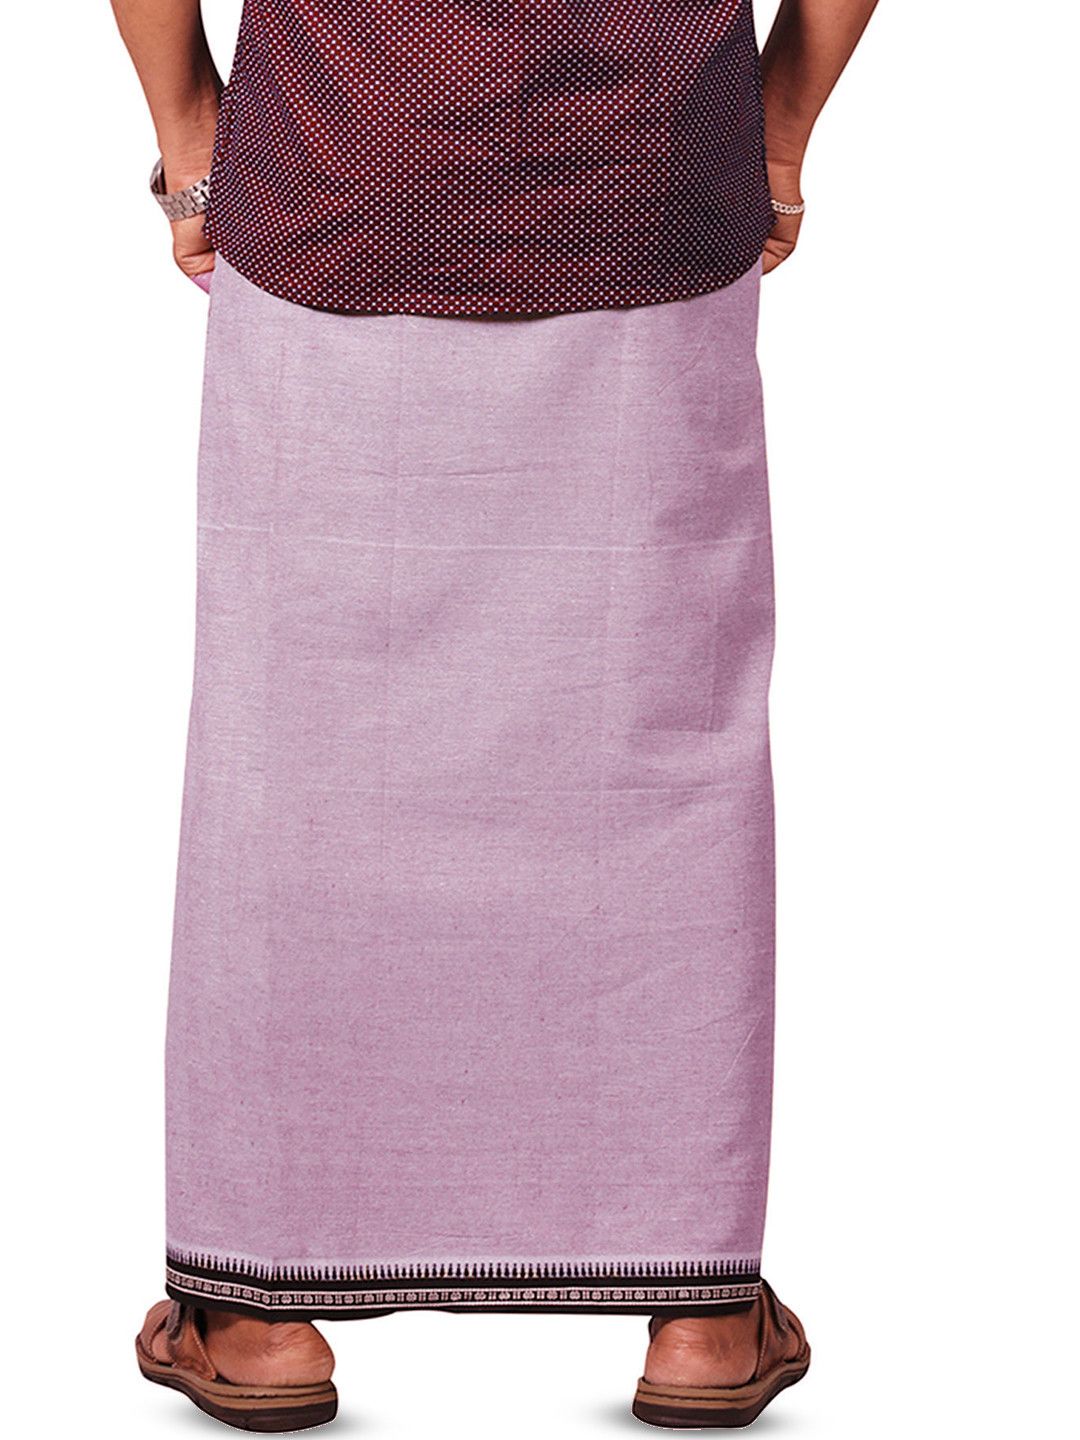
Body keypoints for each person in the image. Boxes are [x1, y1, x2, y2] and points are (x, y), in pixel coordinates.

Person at [113, 0, 878, 1429]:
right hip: (650, 177)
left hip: (339, 163)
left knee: (297, 733)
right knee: (666, 730)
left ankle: (263, 1313)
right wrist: (776, 129)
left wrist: (187, 129)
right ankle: (700, 1313)